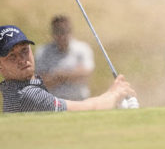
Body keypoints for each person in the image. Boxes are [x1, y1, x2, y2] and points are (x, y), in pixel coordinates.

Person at [0, 25, 136, 113]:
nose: (22, 59)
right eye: (11, 56)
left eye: (24, 50)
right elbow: (88, 109)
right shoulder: (27, 95)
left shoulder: (14, 90)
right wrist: (114, 94)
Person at [35, 15, 94, 100]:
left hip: (79, 101)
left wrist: (59, 75)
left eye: (64, 31)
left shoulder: (83, 49)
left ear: (70, 31)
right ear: (52, 33)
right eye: (57, 31)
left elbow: (85, 73)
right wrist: (71, 75)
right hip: (53, 103)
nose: (61, 35)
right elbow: (41, 81)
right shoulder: (43, 51)